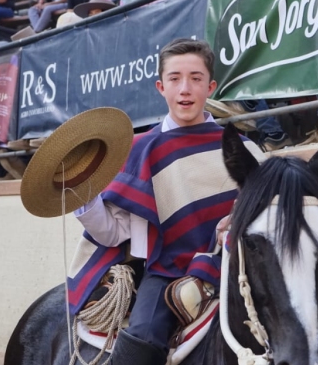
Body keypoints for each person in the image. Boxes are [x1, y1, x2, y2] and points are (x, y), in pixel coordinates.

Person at [70, 39, 266, 363]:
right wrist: (84, 196)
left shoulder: (243, 149)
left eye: (196, 78)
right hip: (166, 273)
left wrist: (241, 220)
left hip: (239, 269)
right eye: (175, 79)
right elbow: (113, 234)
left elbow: (270, 218)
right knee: (139, 344)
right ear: (161, 86)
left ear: (211, 86)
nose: (185, 89)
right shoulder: (140, 150)